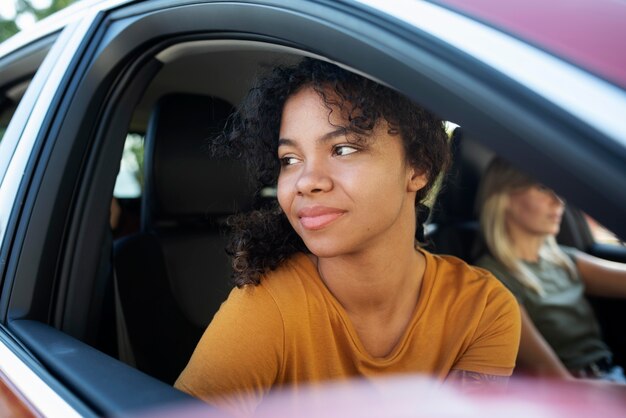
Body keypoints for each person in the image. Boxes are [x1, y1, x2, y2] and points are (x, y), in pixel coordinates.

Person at [174, 59, 521, 416]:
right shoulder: (267, 307)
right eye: (290, 159)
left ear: (418, 167)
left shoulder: (483, 308)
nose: (306, 180)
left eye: (342, 149)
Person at [475, 157, 626, 383]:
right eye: (543, 188)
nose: (559, 201)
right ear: (504, 197)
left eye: (558, 189)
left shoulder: (564, 260)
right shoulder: (494, 277)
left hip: (611, 375)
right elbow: (556, 380)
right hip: (576, 397)